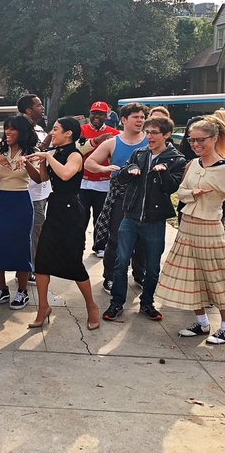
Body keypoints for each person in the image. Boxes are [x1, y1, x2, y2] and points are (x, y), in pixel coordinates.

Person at [102, 115, 186, 322]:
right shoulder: (138, 154)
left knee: (152, 266)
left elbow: (171, 188)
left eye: (154, 133)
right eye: (148, 132)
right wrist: (129, 170)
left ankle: (147, 303)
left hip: (154, 221)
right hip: (130, 216)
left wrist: (163, 173)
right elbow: (120, 179)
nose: (149, 136)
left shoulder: (176, 159)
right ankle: (116, 303)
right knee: (121, 263)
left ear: (166, 135)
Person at [26, 117, 101, 330]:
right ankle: (43, 308)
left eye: (56, 129)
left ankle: (92, 306)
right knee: (41, 262)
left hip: (72, 212)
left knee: (74, 263)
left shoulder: (75, 155)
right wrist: (33, 163)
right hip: (56, 209)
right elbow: (41, 179)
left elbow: (67, 174)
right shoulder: (55, 153)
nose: (53, 132)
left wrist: (48, 157)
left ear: (68, 133)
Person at [156, 116, 225, 345]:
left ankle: (224, 327)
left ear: (214, 139)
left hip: (210, 228)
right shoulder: (193, 164)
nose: (195, 145)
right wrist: (193, 193)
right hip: (187, 227)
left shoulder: (223, 168)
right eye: (192, 140)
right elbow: (181, 192)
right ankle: (202, 322)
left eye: (200, 140)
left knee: (217, 279)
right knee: (190, 277)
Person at [85, 103, 149, 295]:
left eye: (142, 117)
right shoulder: (113, 142)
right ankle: (110, 277)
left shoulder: (149, 141)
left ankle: (139, 274)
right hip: (121, 196)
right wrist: (105, 169)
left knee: (143, 240)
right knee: (116, 239)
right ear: (123, 120)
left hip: (145, 197)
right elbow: (89, 162)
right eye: (136, 117)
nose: (140, 121)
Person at [0, 115, 40, 310]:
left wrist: (27, 162)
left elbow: (39, 179)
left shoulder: (32, 152)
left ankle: (22, 291)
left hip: (22, 201)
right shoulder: (1, 151)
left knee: (21, 245)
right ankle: (1, 289)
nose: (7, 132)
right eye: (6, 128)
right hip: (2, 201)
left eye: (12, 129)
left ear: (22, 132)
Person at [77, 101, 120, 257]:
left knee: (101, 216)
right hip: (83, 181)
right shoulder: (81, 130)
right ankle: (78, 245)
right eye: (94, 112)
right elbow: (77, 150)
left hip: (103, 182)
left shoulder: (114, 133)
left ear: (107, 115)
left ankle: (100, 245)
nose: (96, 116)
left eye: (101, 113)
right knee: (81, 216)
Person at [17, 94, 52, 285]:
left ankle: (31, 265)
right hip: (29, 190)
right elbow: (30, 155)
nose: (42, 107)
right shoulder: (21, 130)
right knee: (32, 230)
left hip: (42, 190)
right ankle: (27, 268)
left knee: (38, 229)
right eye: (39, 105)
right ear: (29, 110)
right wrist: (45, 146)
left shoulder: (39, 129)